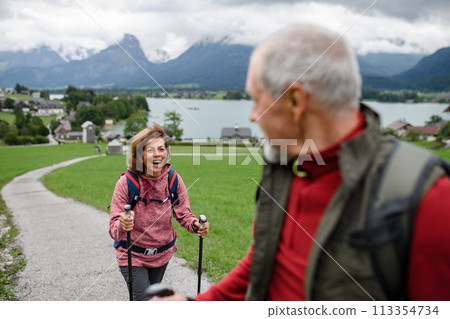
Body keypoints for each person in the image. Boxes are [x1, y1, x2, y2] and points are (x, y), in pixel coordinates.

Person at [157, 23, 450, 301]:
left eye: (257, 99)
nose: (252, 115)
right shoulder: (287, 169)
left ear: (295, 101)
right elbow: (261, 264)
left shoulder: (430, 201)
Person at [109, 124, 209, 301]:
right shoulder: (126, 183)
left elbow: (184, 214)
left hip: (162, 254)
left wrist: (196, 226)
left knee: (154, 299)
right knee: (146, 302)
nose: (157, 154)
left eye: (161, 149)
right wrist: (122, 224)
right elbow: (114, 229)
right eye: (150, 150)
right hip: (132, 255)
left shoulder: (173, 180)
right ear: (139, 156)